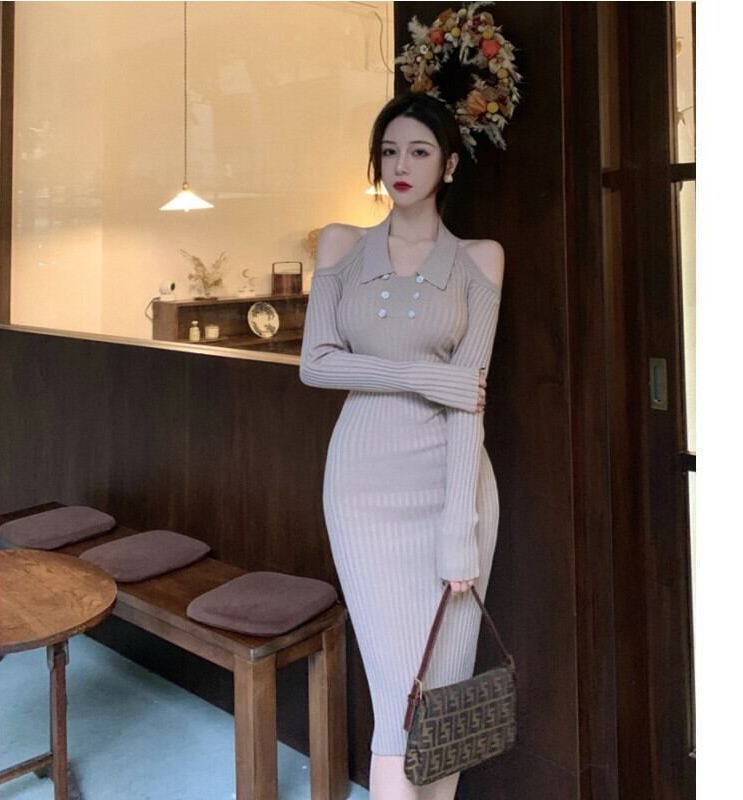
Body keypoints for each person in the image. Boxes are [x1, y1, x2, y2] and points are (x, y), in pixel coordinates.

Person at [299, 92, 504, 800]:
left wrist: (459, 530)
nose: (400, 166)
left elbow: (468, 403)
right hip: (362, 486)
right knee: (397, 703)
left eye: (419, 151)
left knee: (443, 697)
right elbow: (316, 364)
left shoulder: (480, 259)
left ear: (449, 164)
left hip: (453, 485)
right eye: (389, 151)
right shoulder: (341, 245)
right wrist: (419, 374)